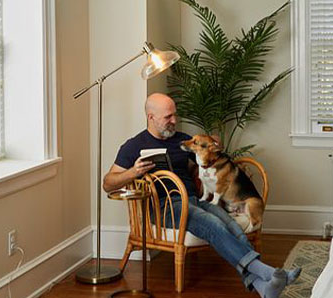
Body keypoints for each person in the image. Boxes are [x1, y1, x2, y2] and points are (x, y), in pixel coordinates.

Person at [103, 93, 300, 298]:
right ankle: (268, 273)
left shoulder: (182, 140)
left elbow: (211, 161)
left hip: (194, 199)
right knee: (211, 223)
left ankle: (262, 286)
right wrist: (133, 172)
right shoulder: (134, 145)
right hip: (164, 207)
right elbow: (108, 183)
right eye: (168, 117)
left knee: (230, 224)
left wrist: (214, 145)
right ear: (150, 117)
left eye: (174, 115)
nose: (174, 121)